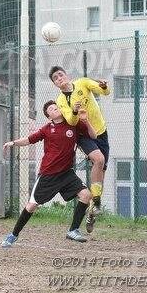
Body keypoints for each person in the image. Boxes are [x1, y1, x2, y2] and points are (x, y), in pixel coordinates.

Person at [1, 101, 97, 245]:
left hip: (66, 173)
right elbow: (29, 140)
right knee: (32, 206)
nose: (55, 109)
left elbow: (93, 136)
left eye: (56, 106)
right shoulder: (46, 129)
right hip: (48, 174)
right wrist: (13, 143)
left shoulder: (73, 123)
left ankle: (73, 230)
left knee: (86, 195)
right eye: (51, 109)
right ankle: (13, 234)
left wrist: (85, 120)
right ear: (49, 116)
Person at [49, 66, 111, 233]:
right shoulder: (61, 100)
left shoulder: (82, 83)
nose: (59, 78)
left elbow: (103, 91)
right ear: (55, 84)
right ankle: (96, 201)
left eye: (61, 74)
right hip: (84, 135)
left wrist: (104, 86)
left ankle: (92, 211)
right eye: (55, 78)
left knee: (101, 172)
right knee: (99, 159)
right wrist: (75, 111)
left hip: (101, 131)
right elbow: (71, 120)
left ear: (67, 75)